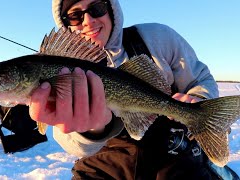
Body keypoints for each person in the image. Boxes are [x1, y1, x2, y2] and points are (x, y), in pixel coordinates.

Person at [29, 0, 239, 179]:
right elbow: (73, 146)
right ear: (65, 24)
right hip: (106, 166)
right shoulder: (61, 73)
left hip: (173, 156)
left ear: (111, 8)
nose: (88, 21)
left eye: (96, 8)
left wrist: (198, 98)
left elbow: (200, 78)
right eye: (75, 16)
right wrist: (92, 131)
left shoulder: (157, 37)